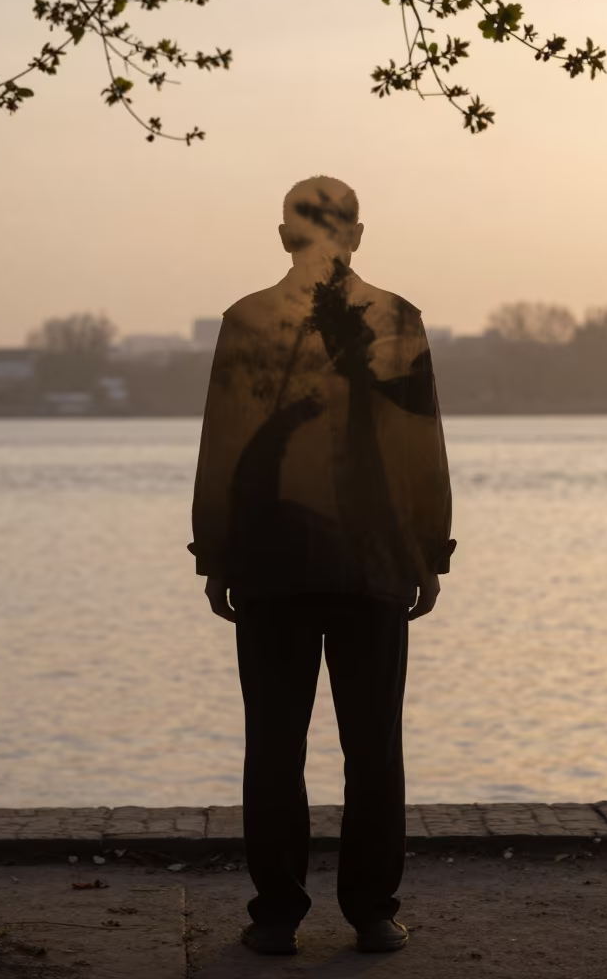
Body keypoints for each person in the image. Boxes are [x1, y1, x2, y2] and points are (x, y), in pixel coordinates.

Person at [189, 176, 454, 955]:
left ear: (282, 237)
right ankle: (373, 910)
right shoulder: (396, 318)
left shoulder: (247, 320)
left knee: (273, 744)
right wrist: (429, 548)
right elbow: (420, 440)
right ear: (359, 234)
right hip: (373, 561)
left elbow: (225, 445)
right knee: (374, 747)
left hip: (271, 561)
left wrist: (215, 550)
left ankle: (276, 913)